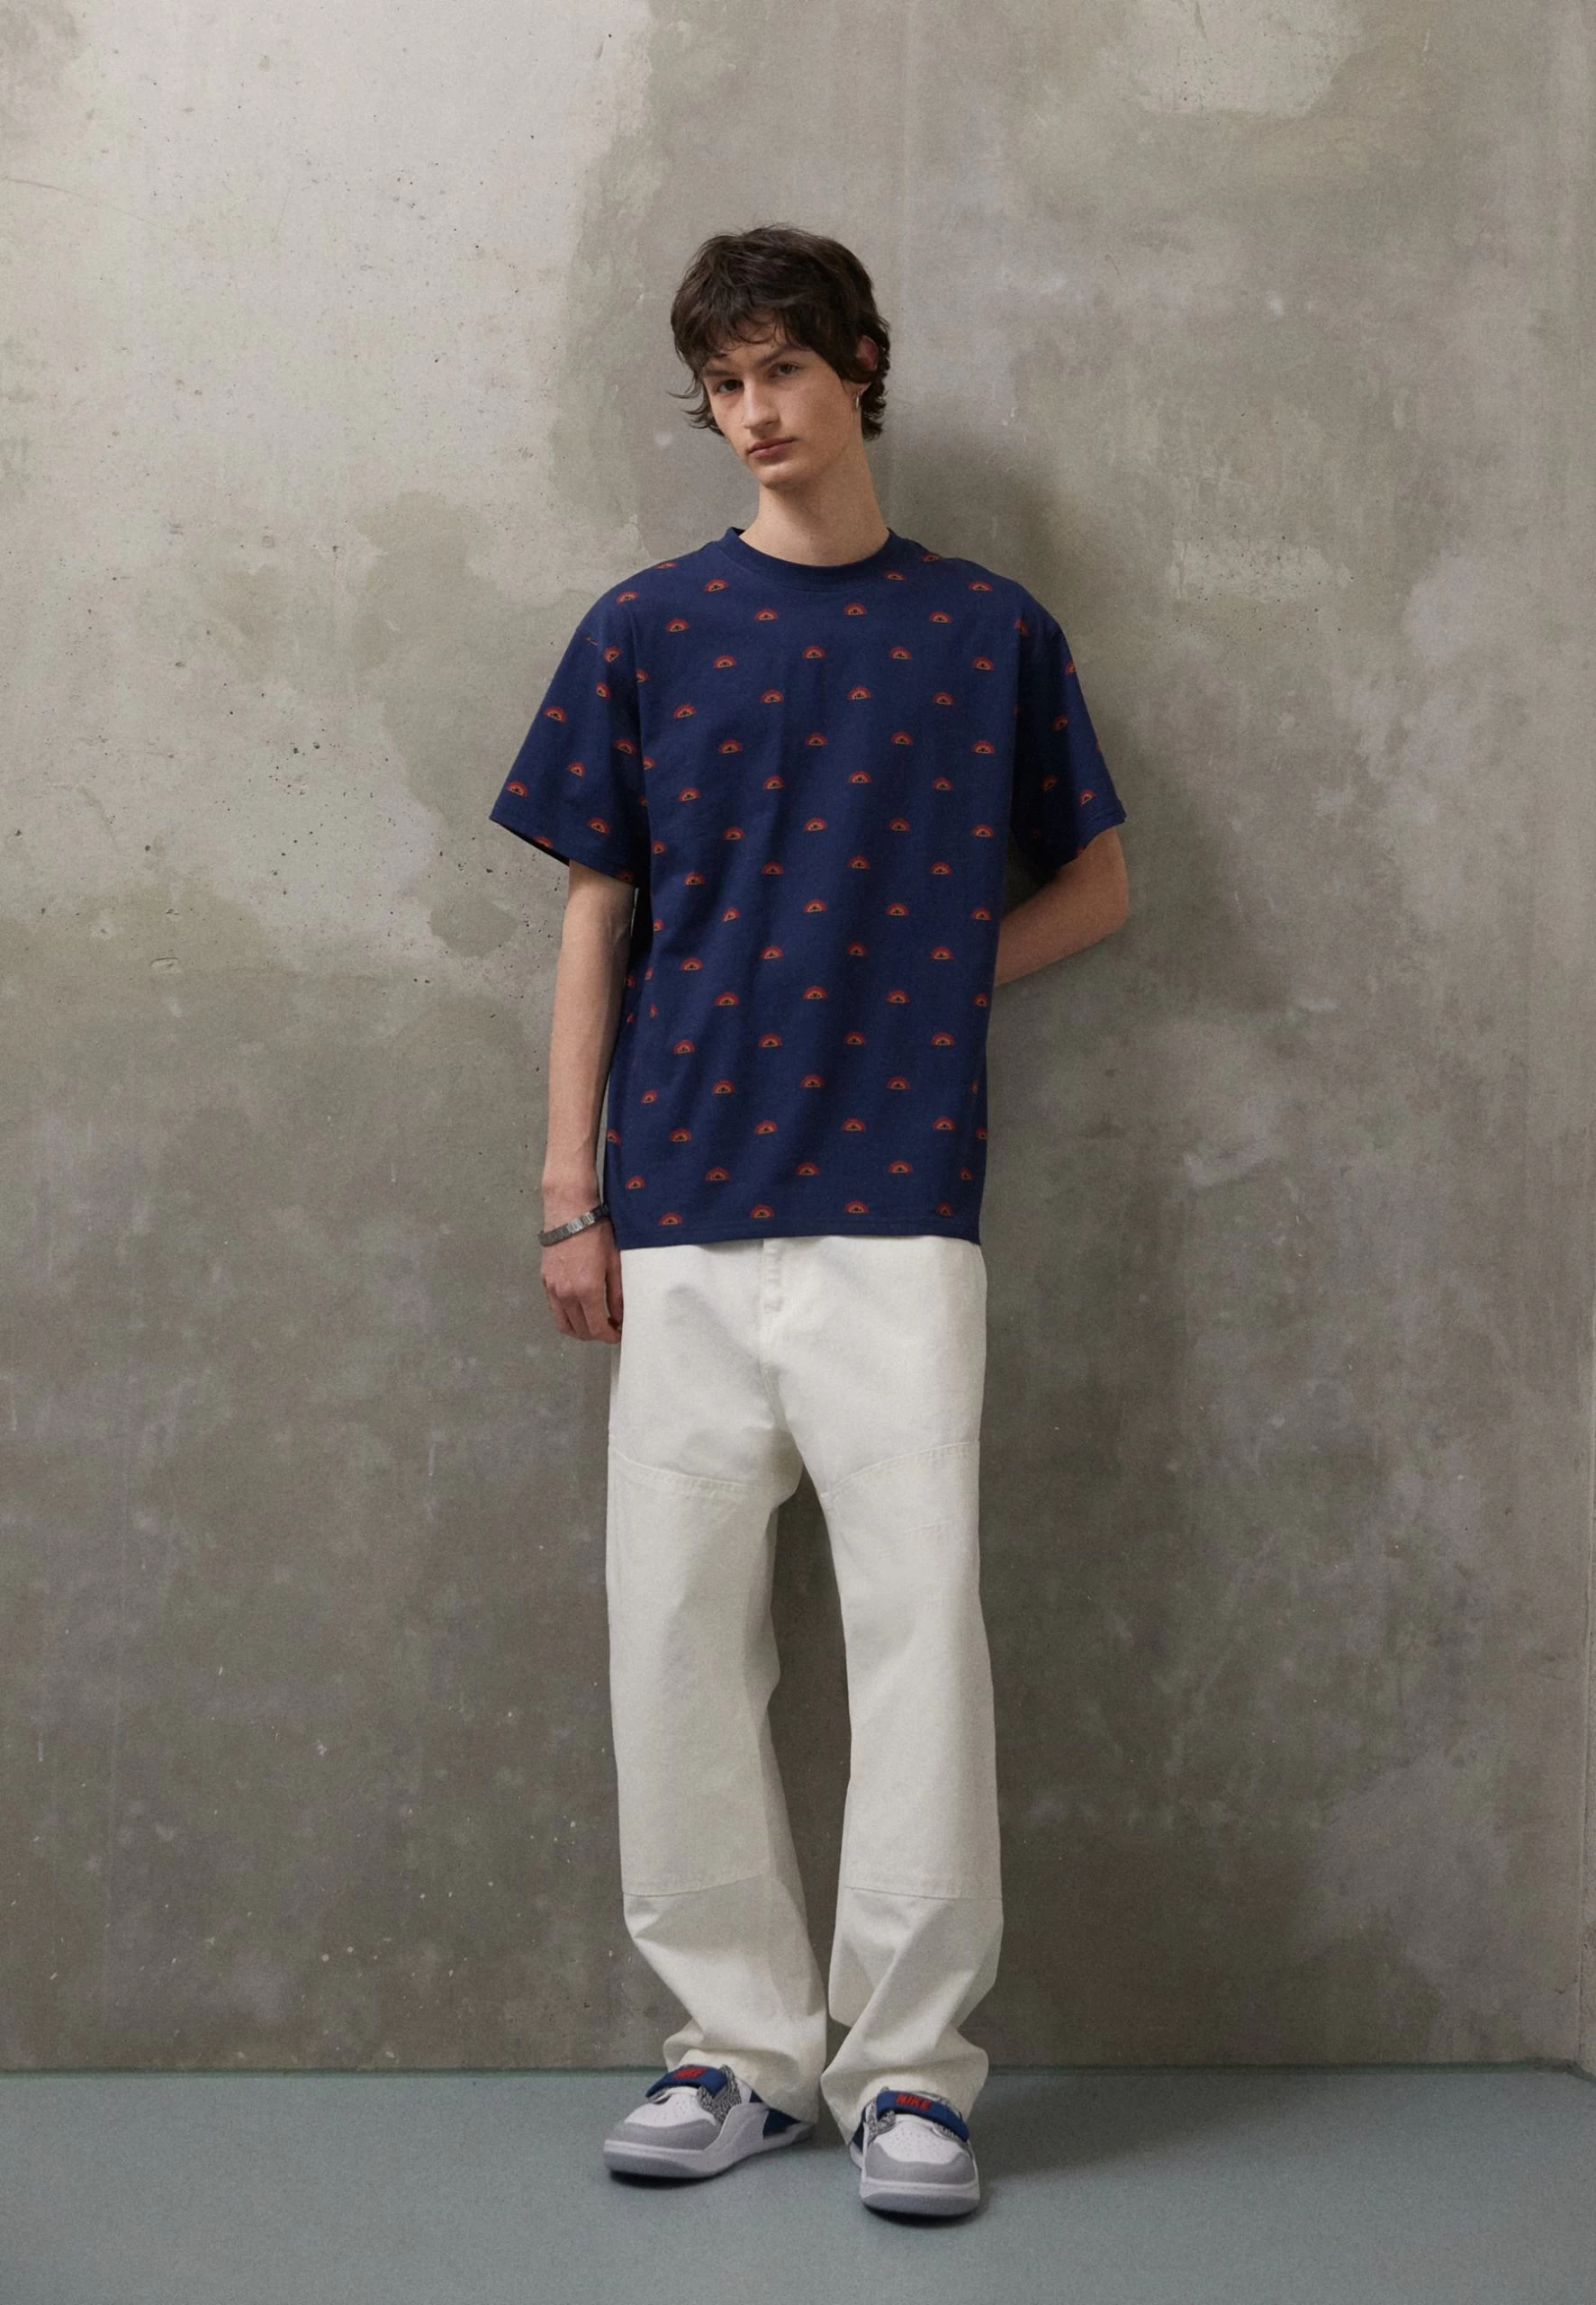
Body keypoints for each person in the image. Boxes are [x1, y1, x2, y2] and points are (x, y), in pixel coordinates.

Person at [487, 223, 1129, 2219]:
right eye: (722, 384)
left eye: (782, 368)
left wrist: (928, 993)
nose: (754, 412)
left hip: (899, 1210)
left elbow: (1100, 885)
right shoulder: (645, 628)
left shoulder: (988, 631)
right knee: (676, 1637)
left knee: (920, 1631)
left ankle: (913, 2074)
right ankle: (735, 2050)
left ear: (859, 364)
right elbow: (594, 910)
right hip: (678, 1204)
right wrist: (569, 1188)